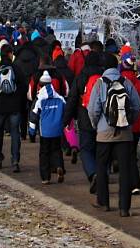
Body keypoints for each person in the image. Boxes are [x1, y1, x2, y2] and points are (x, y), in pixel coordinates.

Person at [87, 64, 140, 216]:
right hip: (125, 134)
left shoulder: (100, 83)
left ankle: (103, 202)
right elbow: (137, 107)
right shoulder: (126, 82)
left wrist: (96, 125)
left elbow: (93, 109)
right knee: (125, 170)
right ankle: (124, 207)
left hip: (104, 134)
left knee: (102, 167)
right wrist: (128, 123)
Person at [63, 49, 104, 193]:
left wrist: (66, 119)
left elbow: (72, 99)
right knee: (101, 149)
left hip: (85, 118)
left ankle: (93, 173)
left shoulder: (81, 76)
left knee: (86, 149)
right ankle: (101, 174)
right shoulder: (104, 76)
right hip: (102, 119)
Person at [0, 43, 27, 172]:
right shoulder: (17, 69)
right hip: (14, 106)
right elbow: (24, 88)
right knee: (15, 134)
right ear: (10, 54)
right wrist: (21, 104)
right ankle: (15, 160)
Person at [119, 51, 140, 195]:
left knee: (126, 155)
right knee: (131, 153)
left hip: (122, 123)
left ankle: (131, 183)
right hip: (138, 124)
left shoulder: (118, 83)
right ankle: (134, 182)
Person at [29, 70, 67, 184]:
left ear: (40, 85)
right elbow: (66, 112)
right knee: (57, 150)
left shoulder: (39, 99)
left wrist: (31, 132)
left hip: (45, 131)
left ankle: (45, 177)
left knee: (44, 153)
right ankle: (59, 166)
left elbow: (33, 116)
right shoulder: (60, 98)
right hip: (57, 130)